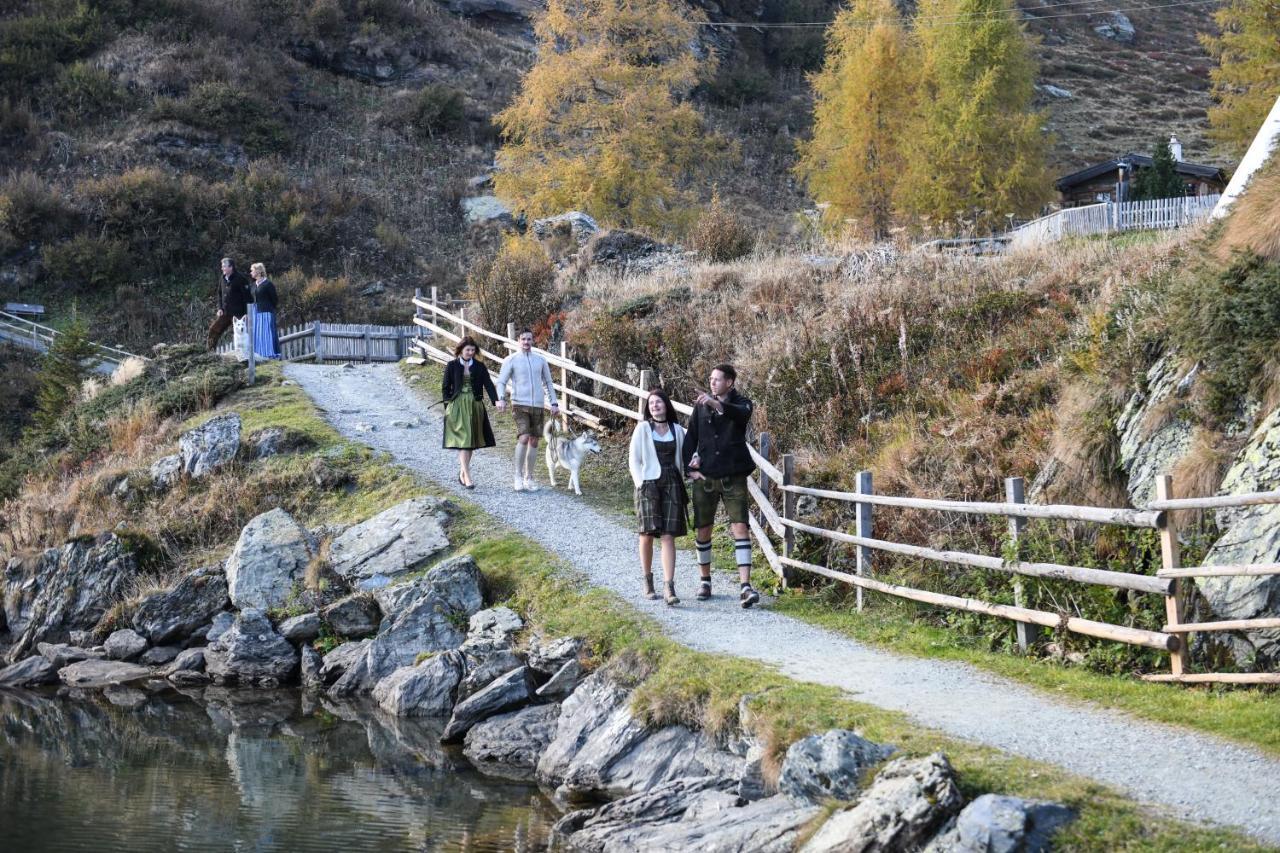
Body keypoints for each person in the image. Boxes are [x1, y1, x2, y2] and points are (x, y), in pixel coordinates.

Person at [683, 363, 759, 608]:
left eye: (717, 379)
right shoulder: (700, 407)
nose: (712, 382)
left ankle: (745, 586)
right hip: (705, 477)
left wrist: (715, 404)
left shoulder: (743, 403)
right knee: (703, 529)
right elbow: (690, 439)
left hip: (734, 475)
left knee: (740, 528)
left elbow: (740, 415)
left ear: (730, 382)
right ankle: (705, 581)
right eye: (711, 379)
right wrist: (689, 469)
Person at [629, 389, 688, 606]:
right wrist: (640, 483)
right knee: (646, 533)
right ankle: (647, 581)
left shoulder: (678, 430)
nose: (654, 405)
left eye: (659, 402)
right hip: (648, 484)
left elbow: (690, 452)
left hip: (672, 483)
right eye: (651, 403)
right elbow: (634, 459)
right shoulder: (643, 429)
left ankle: (669, 586)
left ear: (666, 405)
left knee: (668, 535)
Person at [495, 329, 560, 492]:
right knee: (523, 437)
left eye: (529, 339)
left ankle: (529, 477)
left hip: (537, 405)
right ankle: (517, 475)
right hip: (519, 404)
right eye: (523, 339)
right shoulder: (510, 360)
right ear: (518, 340)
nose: (526, 342)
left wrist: (554, 402)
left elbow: (548, 383)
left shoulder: (540, 360)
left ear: (533, 341)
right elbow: (501, 381)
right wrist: (501, 398)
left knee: (534, 440)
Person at [442, 337, 498, 489]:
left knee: (471, 443)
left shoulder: (479, 366)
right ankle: (467, 476)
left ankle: (462, 472)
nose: (470, 352)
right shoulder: (452, 365)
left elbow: (488, 384)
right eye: (468, 350)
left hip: (475, 406)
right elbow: (445, 387)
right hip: (458, 406)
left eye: (473, 350)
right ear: (460, 350)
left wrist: (496, 400)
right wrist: (448, 406)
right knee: (464, 442)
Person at [206, 257, 252, 351]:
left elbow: (248, 298)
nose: (222, 268)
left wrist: (247, 314)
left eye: (224, 266)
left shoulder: (241, 279)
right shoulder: (222, 278)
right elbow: (219, 294)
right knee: (214, 330)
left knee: (241, 334)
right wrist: (220, 308)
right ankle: (209, 353)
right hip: (225, 312)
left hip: (239, 314)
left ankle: (245, 354)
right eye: (222, 266)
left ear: (231, 267)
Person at [248, 262, 280, 359]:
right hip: (255, 313)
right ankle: (259, 355)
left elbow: (275, 300)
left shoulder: (268, 284)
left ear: (258, 271)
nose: (250, 273)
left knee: (267, 334)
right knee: (257, 334)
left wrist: (268, 309)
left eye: (252, 270)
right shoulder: (253, 285)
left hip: (266, 312)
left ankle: (270, 354)